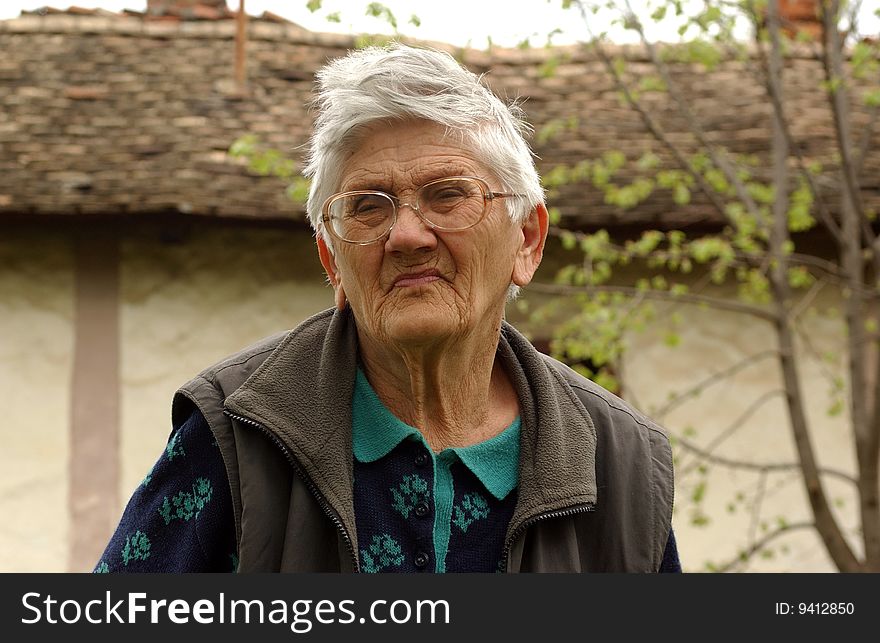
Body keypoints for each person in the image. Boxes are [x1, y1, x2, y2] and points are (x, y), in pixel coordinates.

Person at [94, 44, 680, 574]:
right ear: (332, 261)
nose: (406, 235)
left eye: (448, 194)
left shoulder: (620, 463)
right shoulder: (238, 434)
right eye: (368, 208)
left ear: (526, 240)